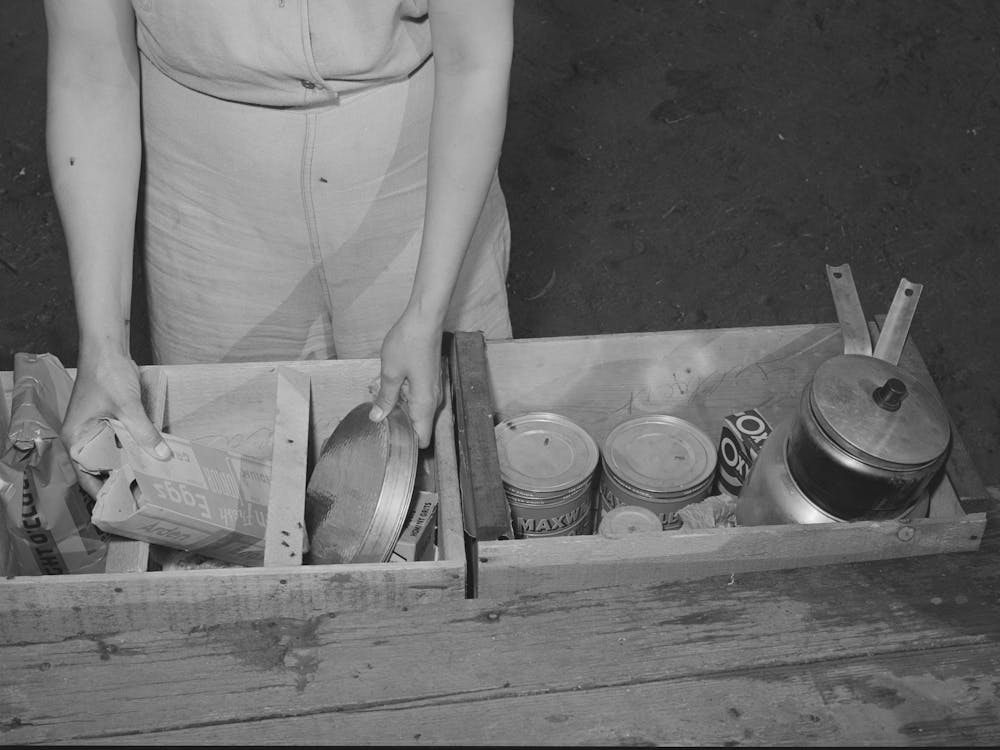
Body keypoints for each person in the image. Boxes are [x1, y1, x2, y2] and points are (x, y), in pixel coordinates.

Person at [44, 0, 515, 494]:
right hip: (206, 193)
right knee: (224, 487)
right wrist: (103, 348)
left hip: (419, 169)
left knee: (455, 473)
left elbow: (473, 56)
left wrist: (426, 310)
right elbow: (91, 75)